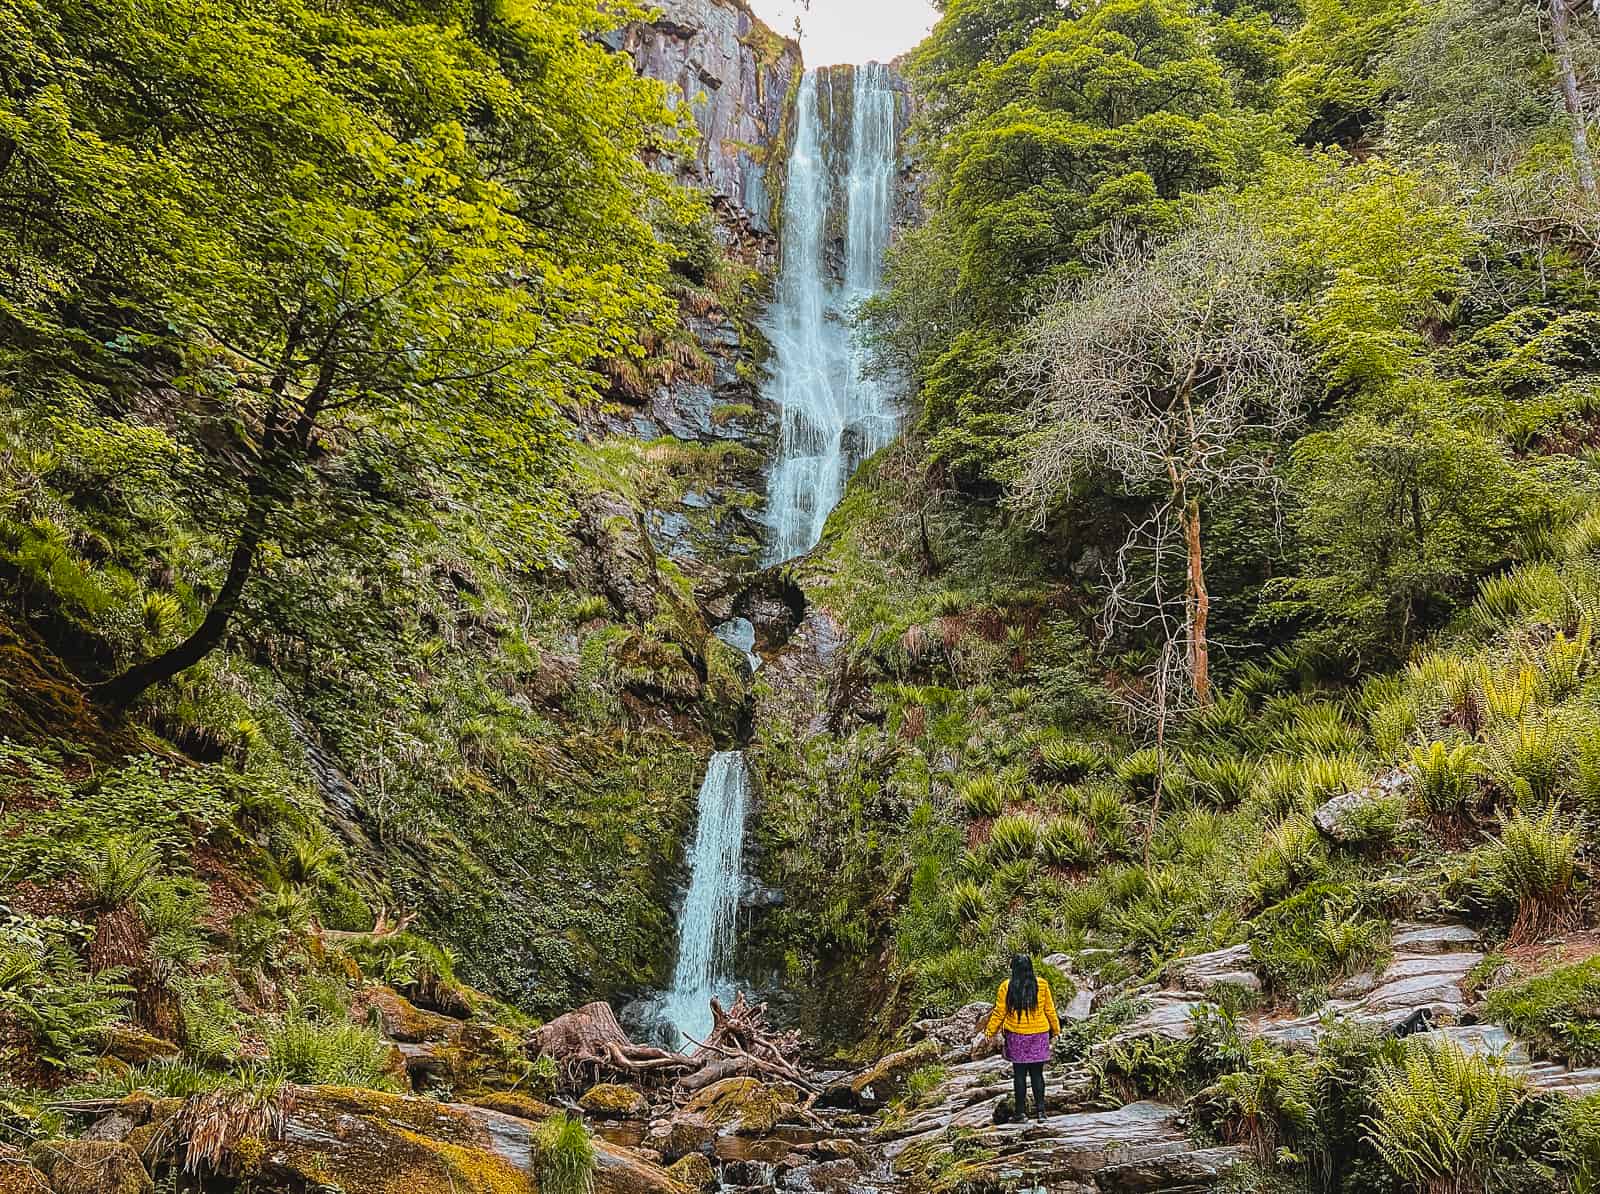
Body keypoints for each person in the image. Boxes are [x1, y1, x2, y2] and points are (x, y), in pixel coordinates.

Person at [978, 954, 1060, 1122]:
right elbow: (1050, 1010)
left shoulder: (1006, 987)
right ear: (1031, 968)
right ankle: (1041, 1113)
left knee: (1019, 1075)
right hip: (1039, 1034)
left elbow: (999, 1012)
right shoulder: (1042, 985)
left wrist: (989, 1032)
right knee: (1038, 1074)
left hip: (1016, 1035)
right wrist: (1056, 1030)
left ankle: (1020, 1113)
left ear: (1013, 969)